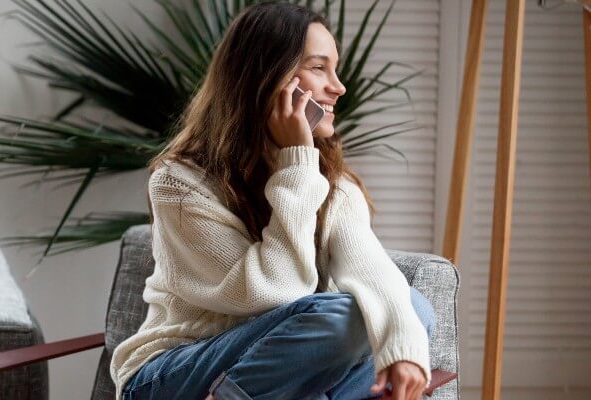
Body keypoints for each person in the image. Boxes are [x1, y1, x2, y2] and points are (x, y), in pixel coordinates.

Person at [110, 2, 435, 399]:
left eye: (335, 68)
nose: (339, 86)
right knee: (342, 319)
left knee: (412, 309)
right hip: (172, 375)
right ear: (266, 78)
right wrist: (297, 163)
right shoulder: (180, 184)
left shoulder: (334, 184)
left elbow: (372, 273)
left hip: (279, 382)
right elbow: (272, 293)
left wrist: (404, 354)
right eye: (319, 68)